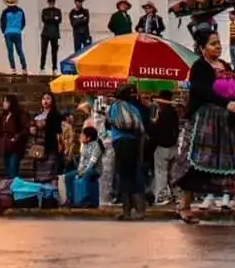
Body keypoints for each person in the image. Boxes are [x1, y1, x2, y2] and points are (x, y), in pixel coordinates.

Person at [171, 30, 235, 224]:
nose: (218, 46)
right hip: (206, 124)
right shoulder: (199, 67)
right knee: (196, 165)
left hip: (229, 125)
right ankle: (184, 207)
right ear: (202, 49)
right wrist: (225, 103)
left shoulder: (225, 65)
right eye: (212, 44)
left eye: (218, 43)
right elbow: (202, 91)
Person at [107, 83, 148, 219]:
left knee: (124, 176)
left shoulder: (116, 106)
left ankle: (128, 211)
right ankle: (136, 209)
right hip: (134, 143)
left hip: (122, 143)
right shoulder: (134, 109)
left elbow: (117, 123)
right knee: (133, 175)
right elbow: (141, 129)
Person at [148, 88, 181, 206]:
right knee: (173, 174)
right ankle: (176, 196)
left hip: (162, 147)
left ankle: (161, 197)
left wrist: (153, 124)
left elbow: (155, 130)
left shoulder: (162, 114)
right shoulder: (174, 113)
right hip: (174, 147)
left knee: (161, 173)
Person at [29, 90, 64, 185]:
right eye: (44, 98)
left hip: (50, 145)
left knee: (52, 173)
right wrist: (32, 129)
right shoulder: (37, 115)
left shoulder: (56, 115)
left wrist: (46, 124)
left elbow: (58, 130)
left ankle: (53, 195)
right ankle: (42, 196)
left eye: (48, 98)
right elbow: (32, 127)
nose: (45, 101)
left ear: (52, 101)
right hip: (39, 146)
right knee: (39, 173)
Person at [67, 125, 103, 207]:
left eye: (82, 135)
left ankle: (86, 200)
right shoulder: (84, 146)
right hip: (84, 170)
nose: (80, 137)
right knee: (69, 176)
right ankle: (71, 199)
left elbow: (92, 163)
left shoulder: (96, 146)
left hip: (95, 170)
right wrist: (79, 171)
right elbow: (82, 162)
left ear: (88, 138)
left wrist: (83, 172)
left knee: (87, 174)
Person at [0, 93, 30, 178]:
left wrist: (16, 137)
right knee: (8, 172)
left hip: (15, 148)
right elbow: (0, 135)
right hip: (5, 147)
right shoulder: (3, 116)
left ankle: (12, 189)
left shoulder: (20, 114)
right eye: (3, 101)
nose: (4, 103)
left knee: (12, 171)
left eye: (6, 101)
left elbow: (26, 128)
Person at [0, 0, 27, 72]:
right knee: (20, 51)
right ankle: (24, 68)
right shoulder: (20, 11)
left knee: (10, 51)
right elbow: (23, 22)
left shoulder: (5, 12)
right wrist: (19, 29)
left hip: (8, 33)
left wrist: (4, 31)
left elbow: (2, 23)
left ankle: (13, 68)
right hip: (17, 32)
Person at [40, 0, 63, 72]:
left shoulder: (58, 11)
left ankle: (54, 68)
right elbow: (44, 19)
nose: (51, 3)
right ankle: (42, 67)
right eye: (50, 2)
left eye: (52, 2)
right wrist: (53, 18)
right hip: (45, 33)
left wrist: (50, 18)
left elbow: (59, 20)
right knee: (44, 51)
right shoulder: (45, 10)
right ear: (48, 2)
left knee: (54, 52)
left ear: (54, 2)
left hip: (54, 34)